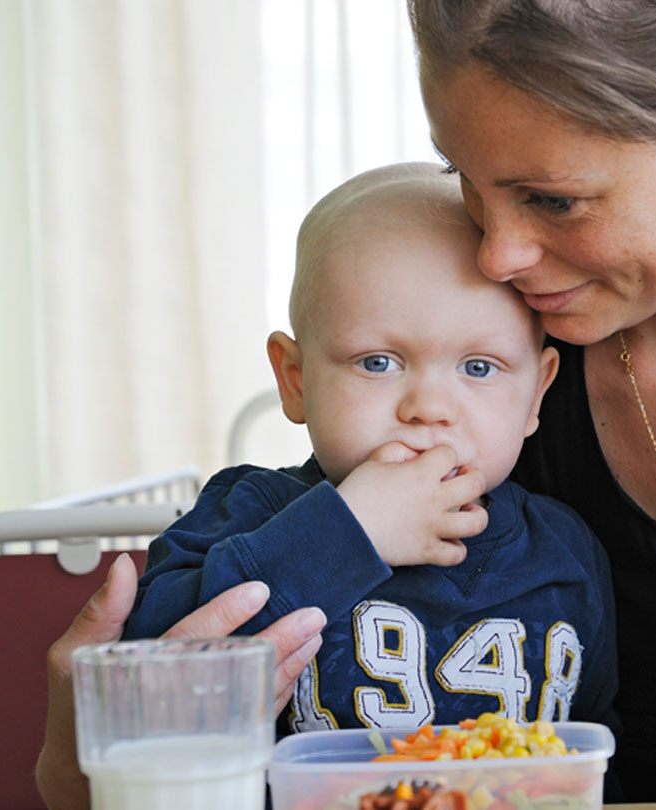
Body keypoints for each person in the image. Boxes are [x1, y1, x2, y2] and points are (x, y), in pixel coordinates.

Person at [39, 1, 656, 804]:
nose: (496, 255)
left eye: (554, 200)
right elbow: (102, 770)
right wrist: (90, 738)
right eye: (467, 181)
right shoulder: (494, 347)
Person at [124, 165, 615, 734]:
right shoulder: (247, 512)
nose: (429, 407)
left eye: (479, 367)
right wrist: (346, 530)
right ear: (295, 380)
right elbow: (142, 681)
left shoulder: (566, 550)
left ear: (536, 394)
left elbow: (598, 742)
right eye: (377, 362)